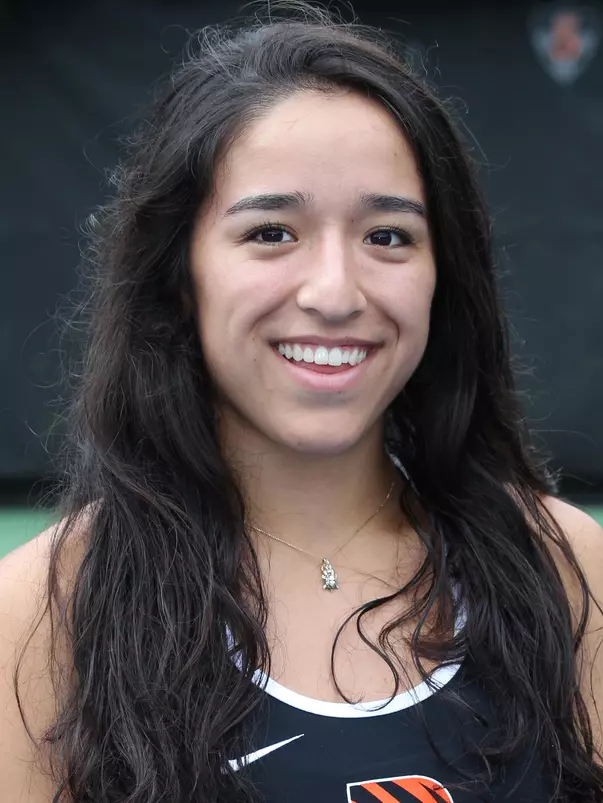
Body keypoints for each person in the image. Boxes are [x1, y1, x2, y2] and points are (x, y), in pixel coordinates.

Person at [1, 3, 602, 802]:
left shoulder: (563, 567)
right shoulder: (41, 613)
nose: (334, 292)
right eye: (271, 233)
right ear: (178, 273)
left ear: (443, 275)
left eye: (387, 236)